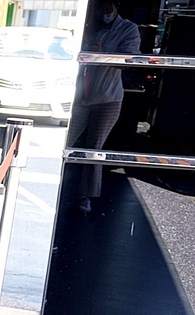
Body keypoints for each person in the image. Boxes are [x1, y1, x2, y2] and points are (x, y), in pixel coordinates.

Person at [66, 0, 140, 215]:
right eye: (101, 8)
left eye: (108, 7)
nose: (105, 12)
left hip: (108, 98)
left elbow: (129, 61)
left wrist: (102, 54)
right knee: (65, 143)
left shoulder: (128, 29)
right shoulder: (88, 27)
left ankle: (85, 196)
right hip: (81, 96)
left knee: (94, 148)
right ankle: (56, 185)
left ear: (117, 6)